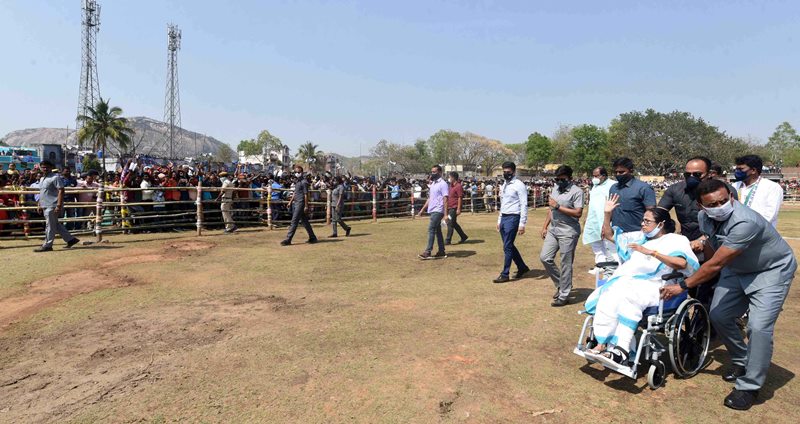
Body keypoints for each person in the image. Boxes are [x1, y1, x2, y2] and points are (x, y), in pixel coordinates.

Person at [661, 180, 796, 411]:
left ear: (732, 197)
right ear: (702, 207)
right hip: (736, 269)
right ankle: (743, 360)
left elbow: (716, 263)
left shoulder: (745, 221)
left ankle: (749, 387)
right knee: (719, 315)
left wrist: (684, 285)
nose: (721, 206)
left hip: (771, 271)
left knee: (759, 327)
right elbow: (713, 249)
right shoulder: (705, 218)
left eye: (725, 200)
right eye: (713, 204)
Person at [584, 194, 699, 366]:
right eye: (643, 221)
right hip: (632, 282)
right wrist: (607, 214)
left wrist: (652, 253)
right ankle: (602, 344)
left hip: (659, 285)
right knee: (609, 293)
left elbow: (681, 263)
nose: (642, 224)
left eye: (647, 221)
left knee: (629, 296)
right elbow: (608, 235)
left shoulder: (677, 240)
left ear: (661, 224)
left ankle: (621, 349)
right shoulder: (640, 238)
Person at [658, 157, 737, 305]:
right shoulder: (675, 190)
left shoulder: (723, 192)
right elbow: (659, 214)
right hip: (688, 249)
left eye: (697, 174)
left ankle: (714, 322)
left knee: (711, 292)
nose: (692, 178)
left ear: (709, 173)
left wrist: (703, 240)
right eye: (688, 175)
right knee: (691, 290)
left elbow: (727, 223)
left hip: (716, 248)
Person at [540, 165, 584, 306]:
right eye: (557, 179)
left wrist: (558, 206)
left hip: (568, 231)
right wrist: (545, 226)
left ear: (570, 178)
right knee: (545, 258)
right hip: (553, 229)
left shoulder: (577, 192)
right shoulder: (555, 188)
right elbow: (551, 209)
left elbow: (578, 213)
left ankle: (564, 295)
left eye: (562, 179)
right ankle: (561, 284)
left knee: (565, 263)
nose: (559, 181)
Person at [493, 162, 529, 283]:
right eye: (504, 171)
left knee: (507, 246)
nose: (505, 173)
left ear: (513, 172)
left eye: (508, 171)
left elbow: (524, 204)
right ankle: (522, 267)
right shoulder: (504, 185)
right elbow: (503, 204)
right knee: (508, 245)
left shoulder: (519, 185)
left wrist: (522, 224)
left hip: (514, 217)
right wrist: (499, 219)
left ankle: (505, 273)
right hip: (504, 217)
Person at [34, 161, 80, 252]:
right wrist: (39, 204)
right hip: (45, 204)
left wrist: (58, 205)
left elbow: (61, 190)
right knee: (55, 224)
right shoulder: (42, 178)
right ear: (40, 168)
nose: (45, 168)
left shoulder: (55, 177)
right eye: (43, 167)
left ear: (51, 167)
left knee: (50, 225)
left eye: (47, 167)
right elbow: (42, 192)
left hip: (52, 205)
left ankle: (48, 245)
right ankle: (70, 239)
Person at [731, 155, 783, 227]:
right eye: (736, 169)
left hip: (761, 232)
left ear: (753, 170)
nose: (737, 171)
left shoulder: (772, 187)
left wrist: (749, 227)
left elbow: (770, 214)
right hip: (737, 229)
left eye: (741, 169)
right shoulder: (734, 186)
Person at [608, 157, 656, 232]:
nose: (618, 174)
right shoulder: (613, 188)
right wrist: (606, 226)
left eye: (621, 172)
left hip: (636, 233)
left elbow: (651, 213)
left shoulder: (644, 188)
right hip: (616, 234)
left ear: (631, 171)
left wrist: (644, 232)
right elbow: (610, 210)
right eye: (616, 172)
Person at [582, 166, 617, 269]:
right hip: (593, 220)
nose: (594, 178)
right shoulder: (595, 186)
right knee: (596, 244)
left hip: (607, 219)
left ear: (604, 175)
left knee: (610, 245)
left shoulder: (613, 185)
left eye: (596, 176)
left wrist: (606, 222)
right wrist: (586, 219)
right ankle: (600, 265)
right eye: (593, 176)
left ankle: (614, 266)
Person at [416, 165, 449, 259]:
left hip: (438, 210)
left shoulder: (443, 184)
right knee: (437, 231)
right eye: (432, 172)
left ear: (440, 172)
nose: (432, 173)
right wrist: (422, 210)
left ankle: (428, 251)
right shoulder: (433, 184)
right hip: (433, 209)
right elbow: (430, 198)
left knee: (431, 229)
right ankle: (441, 251)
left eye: (434, 172)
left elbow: (445, 199)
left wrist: (445, 214)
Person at [281, 165, 317, 246]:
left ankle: (288, 239)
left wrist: (306, 206)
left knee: (294, 221)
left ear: (302, 172)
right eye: (296, 172)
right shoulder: (297, 182)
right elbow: (295, 193)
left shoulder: (304, 182)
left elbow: (305, 194)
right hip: (296, 203)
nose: (297, 174)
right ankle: (313, 237)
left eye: (298, 172)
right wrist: (290, 202)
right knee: (305, 222)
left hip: (301, 203)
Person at [445, 171, 468, 245]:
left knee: (450, 223)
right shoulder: (450, 186)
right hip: (449, 207)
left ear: (453, 178)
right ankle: (463, 236)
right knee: (454, 223)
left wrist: (458, 208)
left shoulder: (458, 186)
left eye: (450, 177)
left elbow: (460, 198)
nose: (449, 178)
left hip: (454, 207)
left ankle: (448, 240)